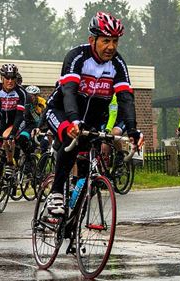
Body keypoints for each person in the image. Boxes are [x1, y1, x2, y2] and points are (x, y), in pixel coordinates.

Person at [44, 12, 143, 215]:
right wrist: (73, 120)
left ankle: (73, 220)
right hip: (62, 110)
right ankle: (56, 193)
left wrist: (133, 130)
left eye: (115, 41)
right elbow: (69, 92)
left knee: (88, 163)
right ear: (92, 40)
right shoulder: (77, 57)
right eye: (106, 40)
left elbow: (125, 98)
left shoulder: (117, 64)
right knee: (69, 137)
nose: (111, 47)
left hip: (92, 119)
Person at [0, 63, 27, 176]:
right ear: (1, 78)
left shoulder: (21, 92)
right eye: (7, 78)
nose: (10, 81)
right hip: (0, 122)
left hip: (15, 121)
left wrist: (13, 133)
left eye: (13, 78)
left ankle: (10, 163)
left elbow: (19, 116)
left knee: (7, 137)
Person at [17, 85, 47, 154]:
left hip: (40, 125)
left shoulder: (42, 102)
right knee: (22, 138)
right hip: (29, 124)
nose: (32, 97)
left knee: (40, 143)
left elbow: (45, 113)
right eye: (30, 95)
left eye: (34, 95)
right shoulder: (24, 101)